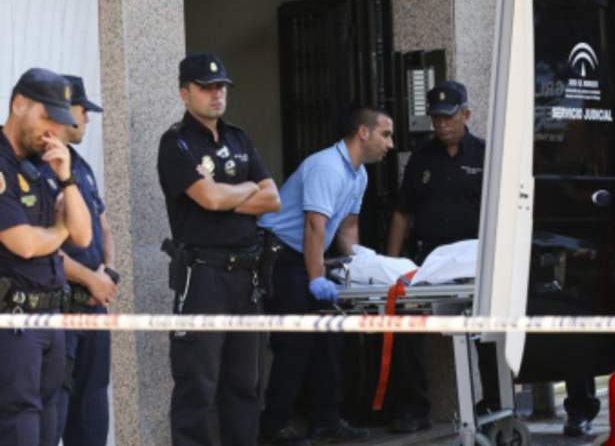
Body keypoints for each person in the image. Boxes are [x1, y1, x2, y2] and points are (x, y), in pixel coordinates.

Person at [157, 52, 281, 446]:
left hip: (247, 275)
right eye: (207, 87)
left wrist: (227, 194)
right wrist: (246, 189)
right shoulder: (176, 143)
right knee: (197, 384)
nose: (217, 94)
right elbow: (208, 200)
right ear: (185, 93)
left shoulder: (238, 138)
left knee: (244, 384)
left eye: (221, 87)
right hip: (204, 276)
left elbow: (273, 199)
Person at [258, 107, 394, 446]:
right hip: (281, 255)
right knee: (296, 340)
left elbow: (347, 229)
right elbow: (313, 225)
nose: (390, 144)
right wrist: (316, 278)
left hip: (308, 255)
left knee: (330, 337)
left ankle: (326, 422)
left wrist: (360, 267)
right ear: (363, 132)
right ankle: (273, 427)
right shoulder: (327, 167)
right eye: (386, 135)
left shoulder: (359, 175)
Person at [385, 80, 493, 433]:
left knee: (488, 330)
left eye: (449, 117)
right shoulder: (421, 158)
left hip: (474, 259)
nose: (442, 125)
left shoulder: (486, 154)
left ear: (466, 114)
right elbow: (403, 212)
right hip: (431, 260)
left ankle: (493, 402)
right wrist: (392, 264)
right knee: (404, 324)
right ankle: (413, 407)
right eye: (436, 118)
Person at [0, 68, 92, 446]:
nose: (52, 130)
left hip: (51, 316)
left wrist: (67, 178)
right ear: (19, 104)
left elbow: (83, 235)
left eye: (58, 121)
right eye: (45, 117)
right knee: (18, 425)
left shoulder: (45, 161)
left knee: (49, 425)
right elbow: (22, 243)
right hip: (15, 320)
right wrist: (59, 230)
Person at [45, 75, 116, 446]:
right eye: (82, 110)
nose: (87, 118)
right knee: (52, 415)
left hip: (94, 309)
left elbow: (104, 226)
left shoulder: (81, 166)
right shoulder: (39, 168)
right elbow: (42, 246)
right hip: (61, 310)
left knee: (91, 416)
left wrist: (108, 273)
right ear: (61, 110)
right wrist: (91, 279)